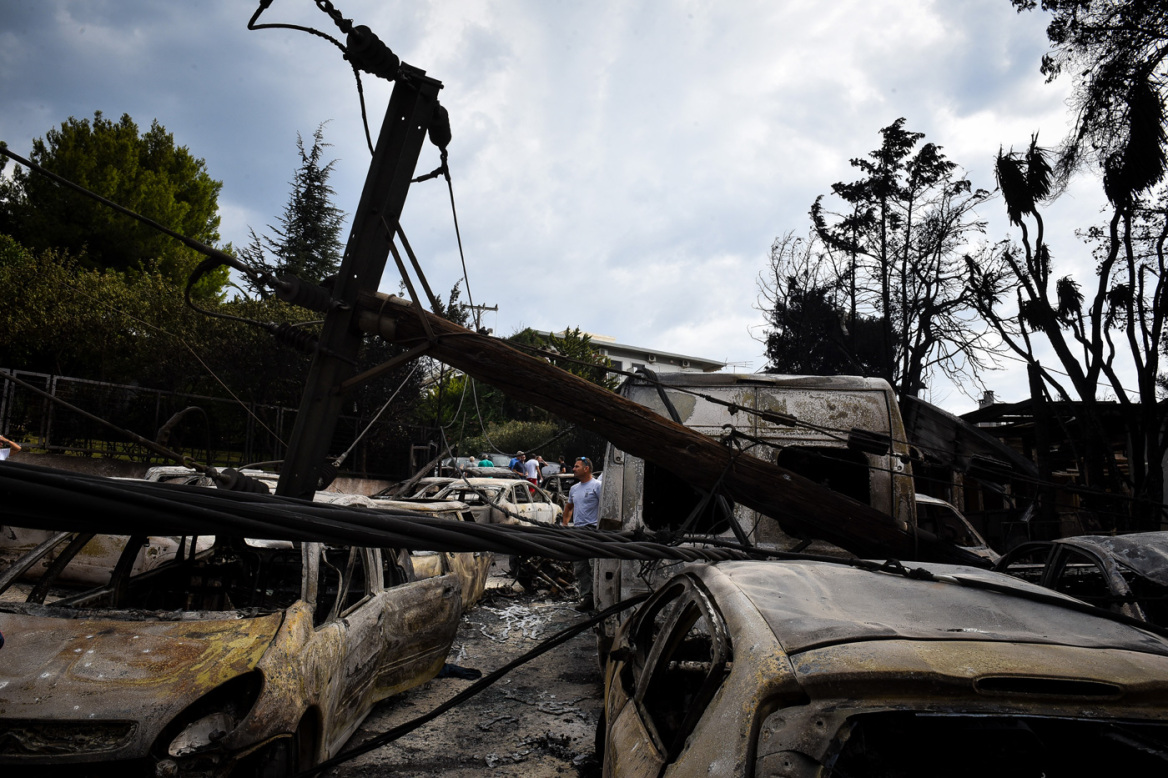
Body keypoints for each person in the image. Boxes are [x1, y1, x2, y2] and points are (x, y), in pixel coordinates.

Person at [562, 456, 602, 611]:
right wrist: (565, 524)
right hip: (578, 531)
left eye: (577, 466)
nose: (573, 469)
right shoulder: (574, 488)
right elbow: (569, 507)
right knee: (580, 566)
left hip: (593, 530)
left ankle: (600, 597)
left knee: (595, 565)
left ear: (586, 469)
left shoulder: (597, 486)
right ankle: (587, 597)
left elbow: (606, 507)